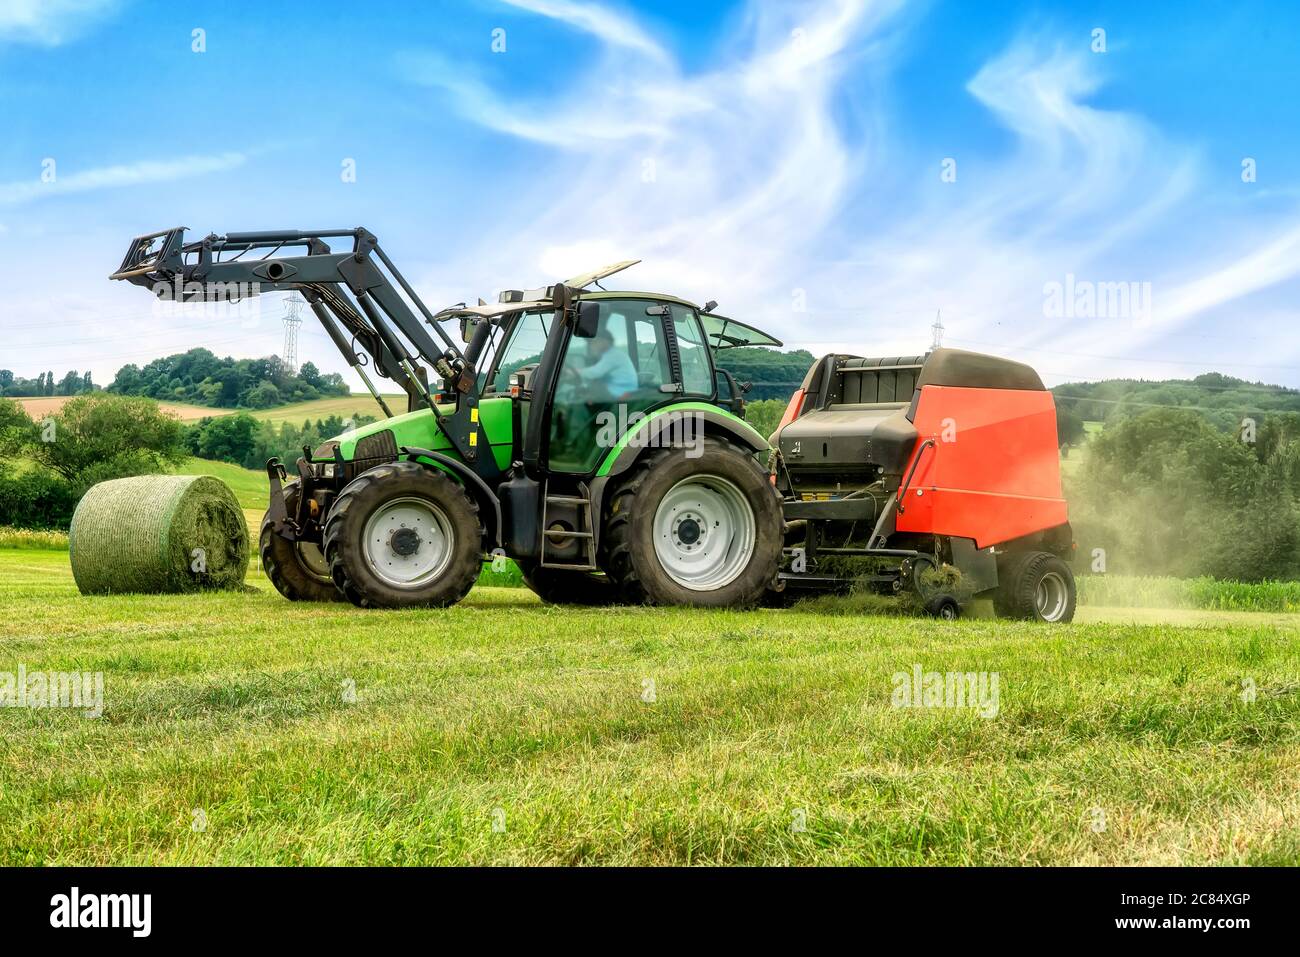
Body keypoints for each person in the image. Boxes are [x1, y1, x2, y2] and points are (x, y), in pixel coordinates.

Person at [576, 328, 638, 399]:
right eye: (590, 343)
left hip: (620, 394)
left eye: (595, 341)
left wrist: (577, 371)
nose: (591, 345)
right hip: (621, 391)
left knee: (581, 398)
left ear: (605, 341)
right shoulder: (611, 354)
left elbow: (594, 373)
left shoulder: (613, 355)